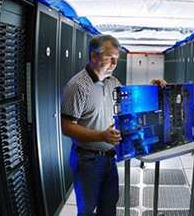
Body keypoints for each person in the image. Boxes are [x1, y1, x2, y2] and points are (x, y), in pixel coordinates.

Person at [61, 34, 166, 216]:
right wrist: (101, 136)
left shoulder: (113, 82)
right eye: (110, 58)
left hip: (110, 157)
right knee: (87, 209)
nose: (114, 63)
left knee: (109, 206)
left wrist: (152, 88)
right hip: (88, 160)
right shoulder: (78, 86)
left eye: (117, 59)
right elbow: (67, 126)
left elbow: (129, 100)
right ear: (94, 56)